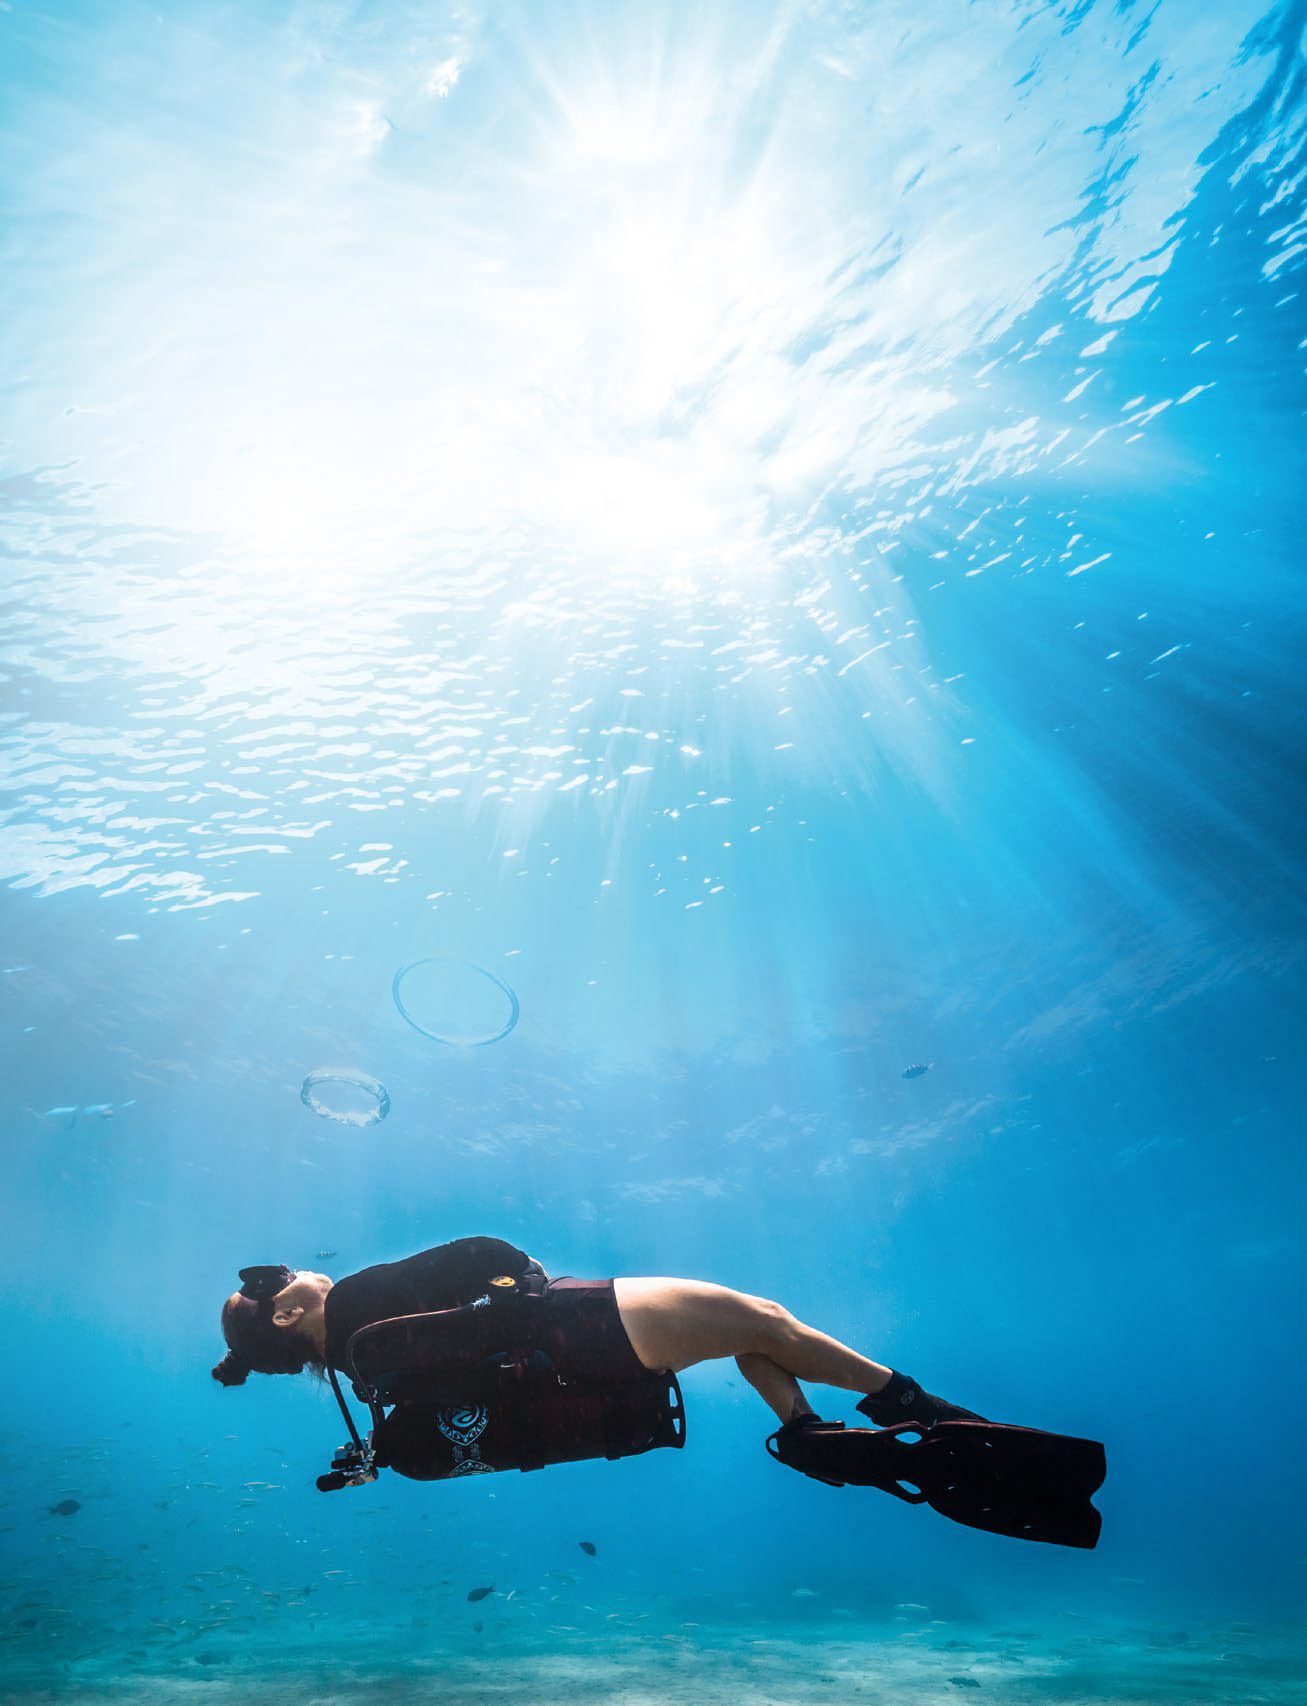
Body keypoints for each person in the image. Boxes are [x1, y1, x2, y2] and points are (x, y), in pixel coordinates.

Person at [212, 1236, 1105, 1548]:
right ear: (285, 1312)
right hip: (583, 1326)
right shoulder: (359, 1299)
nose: (302, 1273)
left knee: (751, 1332)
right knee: (760, 1317)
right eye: (286, 1279)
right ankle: (916, 1408)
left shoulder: (363, 1373)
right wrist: (529, 1284)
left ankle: (807, 1431)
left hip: (582, 1372)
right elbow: (484, 1253)